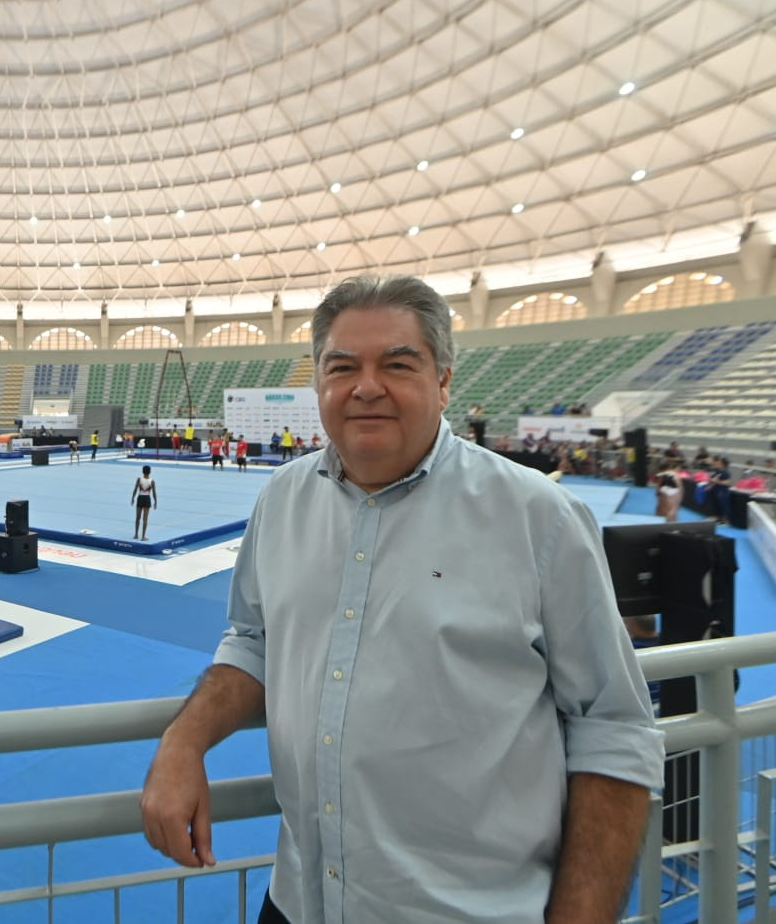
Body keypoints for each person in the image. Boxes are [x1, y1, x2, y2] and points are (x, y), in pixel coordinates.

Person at [139, 274, 662, 924]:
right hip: (300, 902)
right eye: (342, 367)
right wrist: (183, 742)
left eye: (397, 364)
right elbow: (253, 641)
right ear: (319, 384)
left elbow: (612, 727)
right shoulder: (283, 501)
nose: (365, 386)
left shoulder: (539, 520)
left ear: (444, 380)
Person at [131, 465, 158, 541]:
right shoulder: (152, 481)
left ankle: (136, 534)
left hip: (140, 498)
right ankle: (143, 537)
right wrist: (155, 502)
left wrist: (132, 498)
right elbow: (154, 493)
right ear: (150, 472)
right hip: (147, 499)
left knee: (137, 518)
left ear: (142, 471)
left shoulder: (139, 479)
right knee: (145, 519)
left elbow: (135, 489)